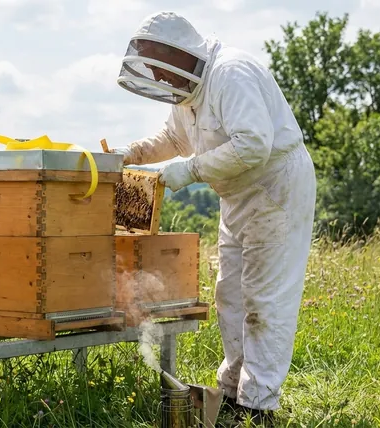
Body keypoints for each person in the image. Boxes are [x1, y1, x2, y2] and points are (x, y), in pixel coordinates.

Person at [110, 11, 317, 424]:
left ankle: (258, 406)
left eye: (157, 65)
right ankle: (233, 390)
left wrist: (187, 171)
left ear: (180, 53)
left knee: (264, 299)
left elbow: (254, 145)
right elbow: (171, 139)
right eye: (150, 68)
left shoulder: (231, 74)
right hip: (238, 195)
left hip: (274, 187)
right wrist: (131, 154)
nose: (156, 75)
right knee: (231, 296)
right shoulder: (188, 95)